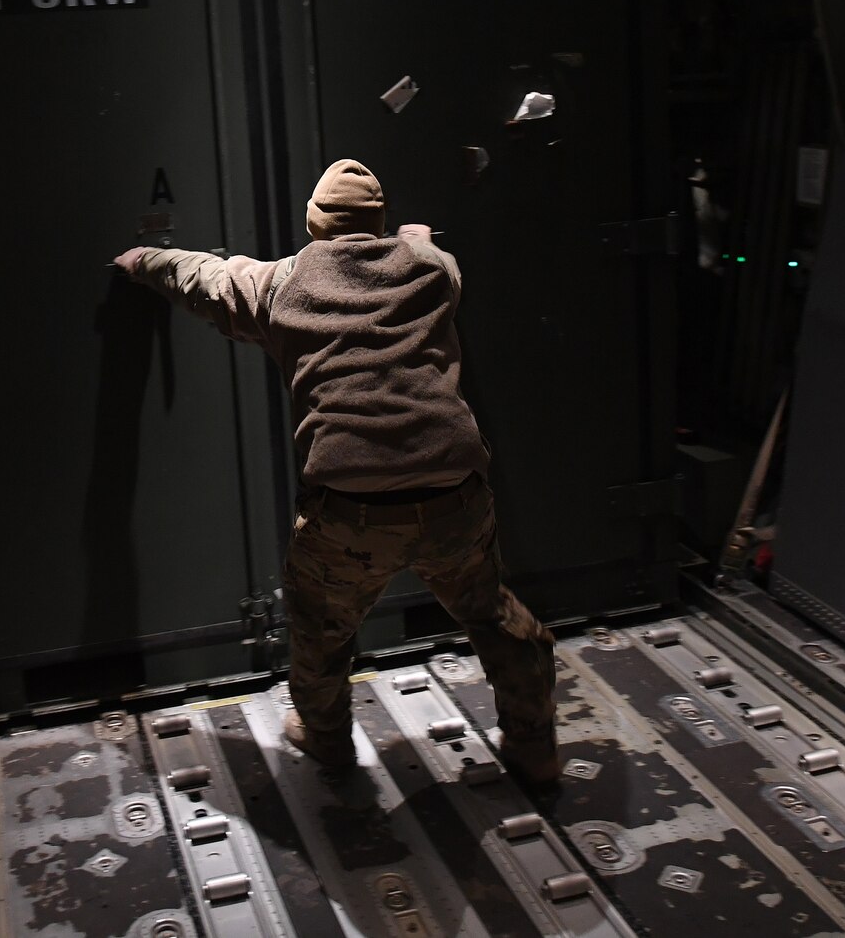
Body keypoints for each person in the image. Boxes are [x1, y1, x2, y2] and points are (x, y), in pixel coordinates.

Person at [114, 159, 560, 783]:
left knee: (321, 630)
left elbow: (205, 277)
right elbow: (438, 261)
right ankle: (535, 745)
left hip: (352, 515)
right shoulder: (432, 272)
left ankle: (325, 739)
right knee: (490, 614)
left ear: (313, 223)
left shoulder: (282, 285)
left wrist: (144, 261)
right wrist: (415, 238)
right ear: (377, 222)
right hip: (456, 498)